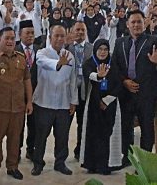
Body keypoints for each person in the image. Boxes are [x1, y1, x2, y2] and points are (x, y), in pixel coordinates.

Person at [0, 27, 33, 181]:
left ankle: (12, 167)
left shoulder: (21, 57)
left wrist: (29, 101)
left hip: (18, 107)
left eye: (12, 38)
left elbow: (26, 80)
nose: (10, 41)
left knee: (15, 140)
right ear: (0, 40)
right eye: (6, 38)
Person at [112, 10, 157, 167]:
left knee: (147, 129)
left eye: (139, 21)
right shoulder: (120, 42)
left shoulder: (153, 41)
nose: (136, 25)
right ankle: (128, 158)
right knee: (126, 128)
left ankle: (145, 162)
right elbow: (115, 66)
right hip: (126, 94)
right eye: (133, 22)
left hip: (146, 95)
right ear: (128, 24)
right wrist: (124, 81)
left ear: (145, 23)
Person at [32, 25, 78, 176]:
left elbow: (72, 80)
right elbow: (43, 63)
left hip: (64, 104)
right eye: (56, 36)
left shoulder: (69, 55)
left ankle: (60, 163)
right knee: (41, 135)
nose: (59, 39)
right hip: (44, 102)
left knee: (62, 136)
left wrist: (73, 101)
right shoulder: (42, 53)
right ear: (49, 37)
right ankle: (38, 163)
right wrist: (58, 63)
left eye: (62, 36)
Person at [80, 39, 122, 175]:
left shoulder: (114, 64)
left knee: (107, 136)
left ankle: (106, 165)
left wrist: (107, 101)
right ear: (95, 50)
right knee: (93, 135)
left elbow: (119, 85)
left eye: (105, 49)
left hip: (110, 105)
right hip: (93, 106)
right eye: (100, 49)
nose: (103, 52)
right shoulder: (89, 63)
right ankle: (91, 164)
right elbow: (89, 74)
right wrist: (99, 75)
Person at [15, 20, 42, 161]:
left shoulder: (40, 50)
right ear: (20, 35)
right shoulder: (14, 50)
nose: (30, 36)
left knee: (34, 125)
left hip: (36, 93)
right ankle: (16, 150)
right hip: (18, 94)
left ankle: (30, 149)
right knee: (18, 125)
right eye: (27, 33)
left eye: (32, 33)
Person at [66, 21, 93, 161]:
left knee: (83, 124)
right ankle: (62, 153)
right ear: (72, 31)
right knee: (64, 125)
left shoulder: (92, 48)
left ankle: (80, 151)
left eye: (83, 30)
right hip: (69, 93)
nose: (80, 32)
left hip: (85, 92)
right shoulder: (66, 48)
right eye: (77, 30)